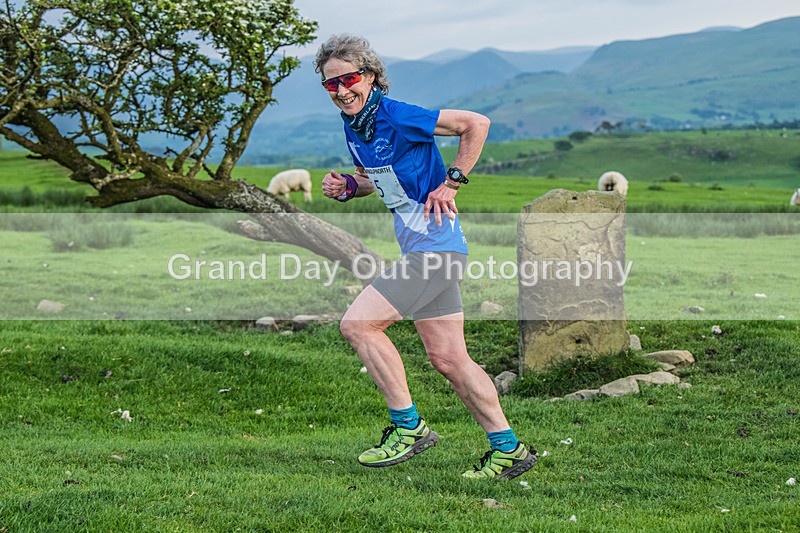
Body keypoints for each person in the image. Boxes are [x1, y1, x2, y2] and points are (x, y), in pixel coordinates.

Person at [315, 34, 536, 479]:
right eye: (331, 85)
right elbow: (386, 183)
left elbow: (476, 123)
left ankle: (408, 428)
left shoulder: (397, 114)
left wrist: (452, 181)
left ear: (371, 76)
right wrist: (349, 188)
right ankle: (509, 450)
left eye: (350, 79)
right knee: (450, 360)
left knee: (358, 325)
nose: (341, 90)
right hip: (429, 250)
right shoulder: (355, 124)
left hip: (437, 251)